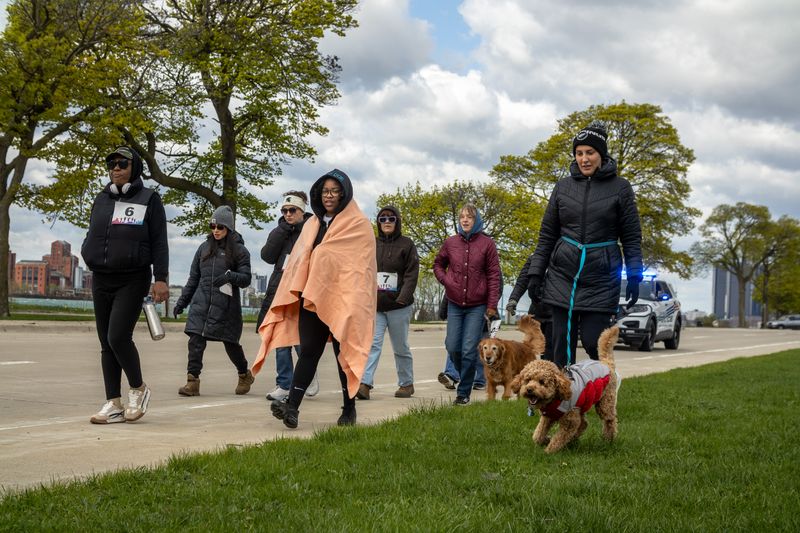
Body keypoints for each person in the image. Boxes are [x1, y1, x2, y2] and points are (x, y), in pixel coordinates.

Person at [252, 169, 376, 428]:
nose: (329, 196)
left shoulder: (359, 224)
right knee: (309, 352)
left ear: (344, 193)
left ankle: (349, 409)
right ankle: (292, 408)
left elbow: (361, 269)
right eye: (325, 191)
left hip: (344, 301)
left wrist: (323, 257)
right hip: (312, 298)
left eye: (334, 191)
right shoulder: (312, 224)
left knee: (344, 354)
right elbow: (299, 261)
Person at [526, 121, 643, 369]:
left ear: (601, 154)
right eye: (579, 153)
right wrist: (535, 273)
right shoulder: (563, 187)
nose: (584, 159)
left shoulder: (620, 188)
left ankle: (602, 387)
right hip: (562, 276)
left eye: (590, 152)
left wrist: (634, 276)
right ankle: (563, 392)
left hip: (601, 278)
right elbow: (547, 234)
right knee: (560, 347)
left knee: (593, 342)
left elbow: (632, 236)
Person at [81, 146, 169, 424]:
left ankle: (138, 388)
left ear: (135, 168)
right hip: (101, 277)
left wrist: (161, 278)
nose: (116, 169)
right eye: (112, 164)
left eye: (122, 164)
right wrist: (88, 250)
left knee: (118, 337)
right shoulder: (102, 198)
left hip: (133, 278)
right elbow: (93, 231)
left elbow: (159, 241)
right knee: (105, 343)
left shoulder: (149, 198)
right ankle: (113, 403)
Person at [173, 205, 254, 396]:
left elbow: (246, 279)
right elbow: (193, 279)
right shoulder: (203, 248)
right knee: (195, 341)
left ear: (229, 228)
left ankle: (244, 374)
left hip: (226, 307)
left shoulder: (240, 251)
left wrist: (230, 276)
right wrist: (182, 303)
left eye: (220, 227)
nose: (216, 230)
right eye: (213, 226)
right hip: (201, 305)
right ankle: (192, 382)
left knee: (231, 344)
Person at [433, 203, 501, 406]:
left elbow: (494, 276)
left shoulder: (487, 244)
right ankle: (466, 374)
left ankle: (463, 394)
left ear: (476, 220)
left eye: (469, 217)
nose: (465, 220)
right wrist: (446, 280)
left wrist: (492, 305)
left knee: (469, 350)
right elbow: (438, 264)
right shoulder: (450, 242)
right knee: (453, 346)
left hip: (477, 306)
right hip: (455, 303)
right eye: (462, 216)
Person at [257, 192, 319, 402]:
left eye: (292, 210)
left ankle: (308, 373)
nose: (288, 214)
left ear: (302, 211)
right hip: (280, 291)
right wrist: (282, 229)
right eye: (284, 211)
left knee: (300, 339)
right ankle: (284, 384)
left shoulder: (313, 229)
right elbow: (267, 256)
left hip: (301, 292)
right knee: (280, 339)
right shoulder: (280, 231)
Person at [357, 206, 420, 400]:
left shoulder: (407, 244)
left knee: (400, 347)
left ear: (397, 221)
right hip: (376, 306)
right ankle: (365, 384)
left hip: (399, 306)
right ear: (378, 223)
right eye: (382, 219)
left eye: (391, 219)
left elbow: (411, 274)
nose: (386, 222)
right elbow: (364, 270)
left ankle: (406, 384)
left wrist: (403, 297)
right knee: (373, 345)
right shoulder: (372, 244)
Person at [505, 253, 554, 361]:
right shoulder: (534, 257)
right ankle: (546, 369)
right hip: (537, 311)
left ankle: (556, 370)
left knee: (552, 348)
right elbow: (522, 281)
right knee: (540, 348)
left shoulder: (561, 255)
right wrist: (513, 300)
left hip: (556, 311)